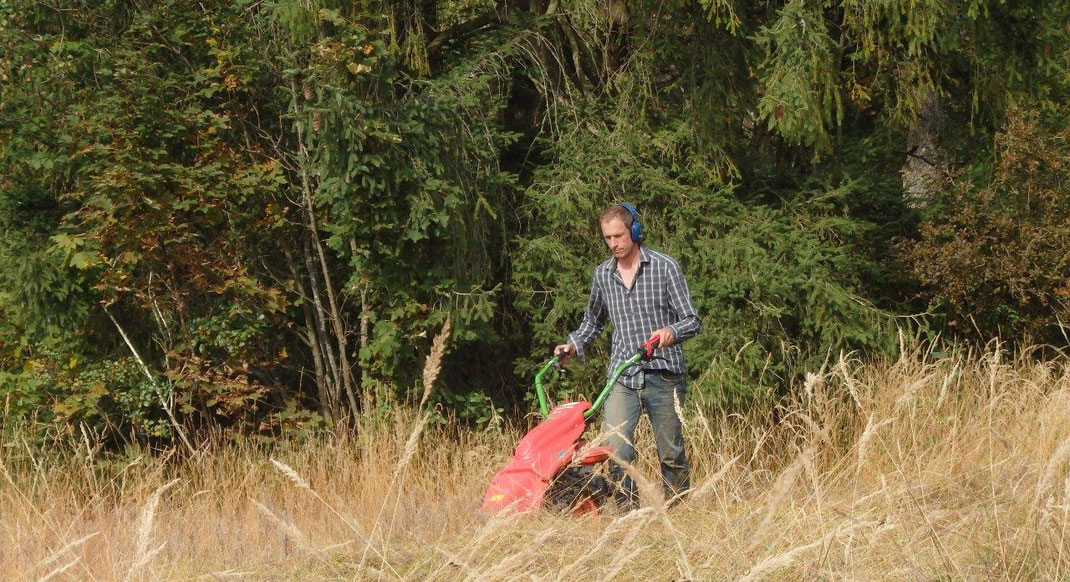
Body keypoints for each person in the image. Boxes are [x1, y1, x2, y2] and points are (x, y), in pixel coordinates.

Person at [554, 203, 701, 509]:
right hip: (623, 373)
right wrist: (572, 345)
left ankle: (677, 512)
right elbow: (592, 321)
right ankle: (626, 514)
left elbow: (692, 319)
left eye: (619, 236)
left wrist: (668, 333)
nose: (613, 243)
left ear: (635, 231)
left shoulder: (664, 267)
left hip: (664, 371)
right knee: (617, 449)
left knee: (671, 452)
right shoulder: (603, 275)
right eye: (607, 238)